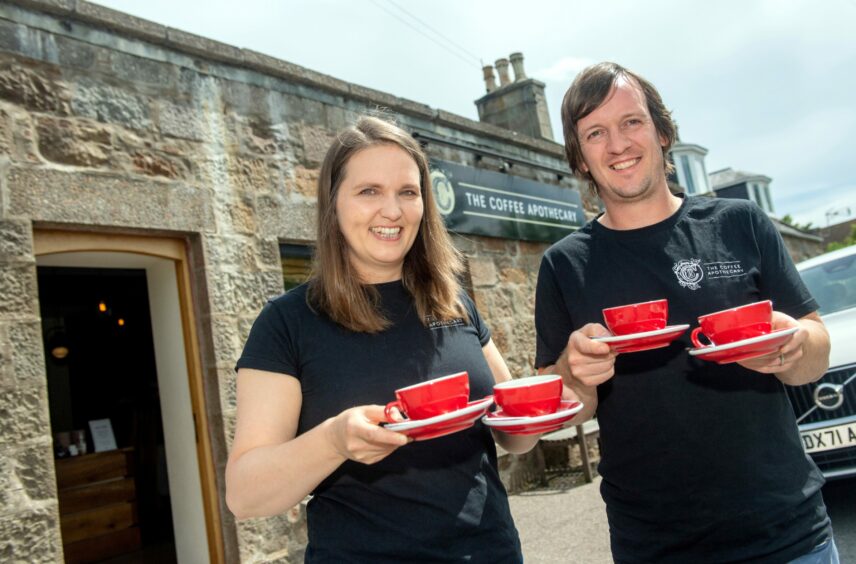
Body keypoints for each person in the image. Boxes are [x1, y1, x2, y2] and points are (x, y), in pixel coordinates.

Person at [535, 62, 838, 563]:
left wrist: (795, 344)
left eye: (631, 122)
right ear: (580, 158)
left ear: (662, 131)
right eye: (595, 133)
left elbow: (816, 352)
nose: (618, 145)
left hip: (788, 533)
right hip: (656, 546)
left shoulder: (739, 223)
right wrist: (575, 373)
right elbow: (564, 407)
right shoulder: (564, 264)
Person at [226, 116, 538, 563]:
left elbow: (515, 437)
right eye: (369, 191)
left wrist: (560, 395)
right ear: (333, 203)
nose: (392, 210)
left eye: (408, 193)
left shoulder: (453, 301)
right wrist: (332, 441)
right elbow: (245, 495)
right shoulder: (287, 323)